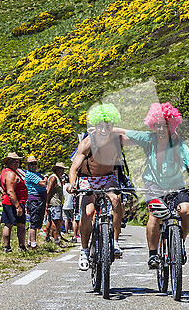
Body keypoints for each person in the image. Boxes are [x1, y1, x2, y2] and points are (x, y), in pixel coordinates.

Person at [112, 102, 189, 269]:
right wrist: (102, 130)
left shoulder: (179, 143)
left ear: (171, 125)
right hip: (153, 185)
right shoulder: (148, 139)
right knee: (154, 215)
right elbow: (124, 132)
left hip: (176, 186)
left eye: (165, 125)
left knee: (187, 211)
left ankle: (179, 244)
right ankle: (153, 255)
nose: (161, 129)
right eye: (158, 125)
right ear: (153, 125)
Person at [68, 103, 126, 271]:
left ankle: (114, 242)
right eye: (100, 125)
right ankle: (84, 251)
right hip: (88, 179)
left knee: (116, 199)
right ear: (95, 126)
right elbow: (74, 169)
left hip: (108, 178)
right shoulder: (87, 143)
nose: (103, 129)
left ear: (112, 126)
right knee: (88, 212)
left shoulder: (116, 140)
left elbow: (131, 135)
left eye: (107, 125)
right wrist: (72, 184)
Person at [0, 152, 28, 253]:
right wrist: (17, 206)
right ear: (9, 162)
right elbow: (10, 191)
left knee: (14, 224)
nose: (17, 163)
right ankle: (14, 247)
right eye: (14, 161)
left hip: (11, 201)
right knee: (16, 224)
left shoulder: (7, 171)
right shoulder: (10, 173)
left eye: (18, 161)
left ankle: (11, 247)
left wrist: (3, 192)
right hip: (13, 202)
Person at [24, 155, 48, 249]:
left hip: (39, 200)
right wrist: (45, 178)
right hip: (35, 200)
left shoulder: (36, 174)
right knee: (34, 221)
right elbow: (42, 183)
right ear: (28, 165)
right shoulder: (30, 174)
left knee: (36, 221)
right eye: (31, 164)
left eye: (35, 163)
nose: (34, 165)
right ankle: (33, 243)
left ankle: (30, 242)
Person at [46, 162, 67, 246]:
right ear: (56, 170)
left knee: (52, 220)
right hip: (54, 203)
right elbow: (48, 191)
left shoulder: (58, 178)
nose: (62, 171)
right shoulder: (53, 178)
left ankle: (48, 237)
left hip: (57, 203)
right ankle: (56, 239)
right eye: (61, 169)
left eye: (63, 170)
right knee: (55, 221)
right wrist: (46, 203)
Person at [62, 174, 76, 242]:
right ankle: (74, 232)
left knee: (66, 219)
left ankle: (67, 232)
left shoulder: (64, 187)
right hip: (72, 205)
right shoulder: (71, 186)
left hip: (65, 205)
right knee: (73, 219)